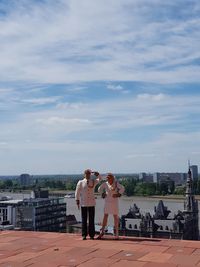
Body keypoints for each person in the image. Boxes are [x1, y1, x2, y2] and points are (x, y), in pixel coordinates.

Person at [75, 169, 101, 240]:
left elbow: (100, 179)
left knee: (91, 220)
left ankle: (92, 235)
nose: (87, 174)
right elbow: (77, 192)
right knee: (84, 219)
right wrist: (77, 199)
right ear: (84, 174)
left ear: (90, 174)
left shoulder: (93, 181)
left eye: (89, 173)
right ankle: (84, 235)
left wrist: (97, 174)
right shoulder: (80, 182)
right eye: (86, 173)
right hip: (84, 203)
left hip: (91, 203)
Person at [97, 173, 124, 239]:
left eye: (109, 178)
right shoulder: (105, 184)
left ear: (113, 178)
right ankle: (102, 231)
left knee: (115, 217)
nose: (108, 179)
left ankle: (116, 234)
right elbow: (99, 189)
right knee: (105, 216)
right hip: (107, 202)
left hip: (114, 202)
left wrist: (118, 194)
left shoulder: (116, 183)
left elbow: (122, 188)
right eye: (107, 178)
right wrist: (102, 194)